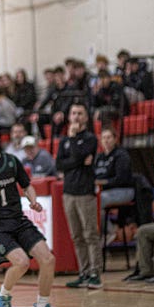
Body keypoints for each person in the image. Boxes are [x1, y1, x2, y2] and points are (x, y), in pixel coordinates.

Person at [0, 112, 65, 307]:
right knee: (22, 262)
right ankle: (2, 296)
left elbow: (27, 185)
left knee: (48, 259)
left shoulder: (11, 162)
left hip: (18, 219)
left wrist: (33, 200)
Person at [56, 103, 102, 288]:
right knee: (76, 236)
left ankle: (95, 274)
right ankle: (83, 273)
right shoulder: (63, 140)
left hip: (85, 192)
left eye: (80, 113)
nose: (76, 116)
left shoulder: (90, 138)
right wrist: (78, 160)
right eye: (73, 113)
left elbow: (76, 155)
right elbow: (60, 164)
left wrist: (74, 139)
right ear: (69, 116)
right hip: (68, 192)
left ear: (85, 117)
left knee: (90, 234)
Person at [94, 128, 134, 238]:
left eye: (109, 137)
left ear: (115, 139)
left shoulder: (121, 155)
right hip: (103, 190)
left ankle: (110, 232)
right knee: (88, 199)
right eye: (103, 138)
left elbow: (122, 179)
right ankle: (97, 234)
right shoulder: (98, 157)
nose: (106, 140)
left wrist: (102, 183)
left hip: (124, 190)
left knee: (98, 200)